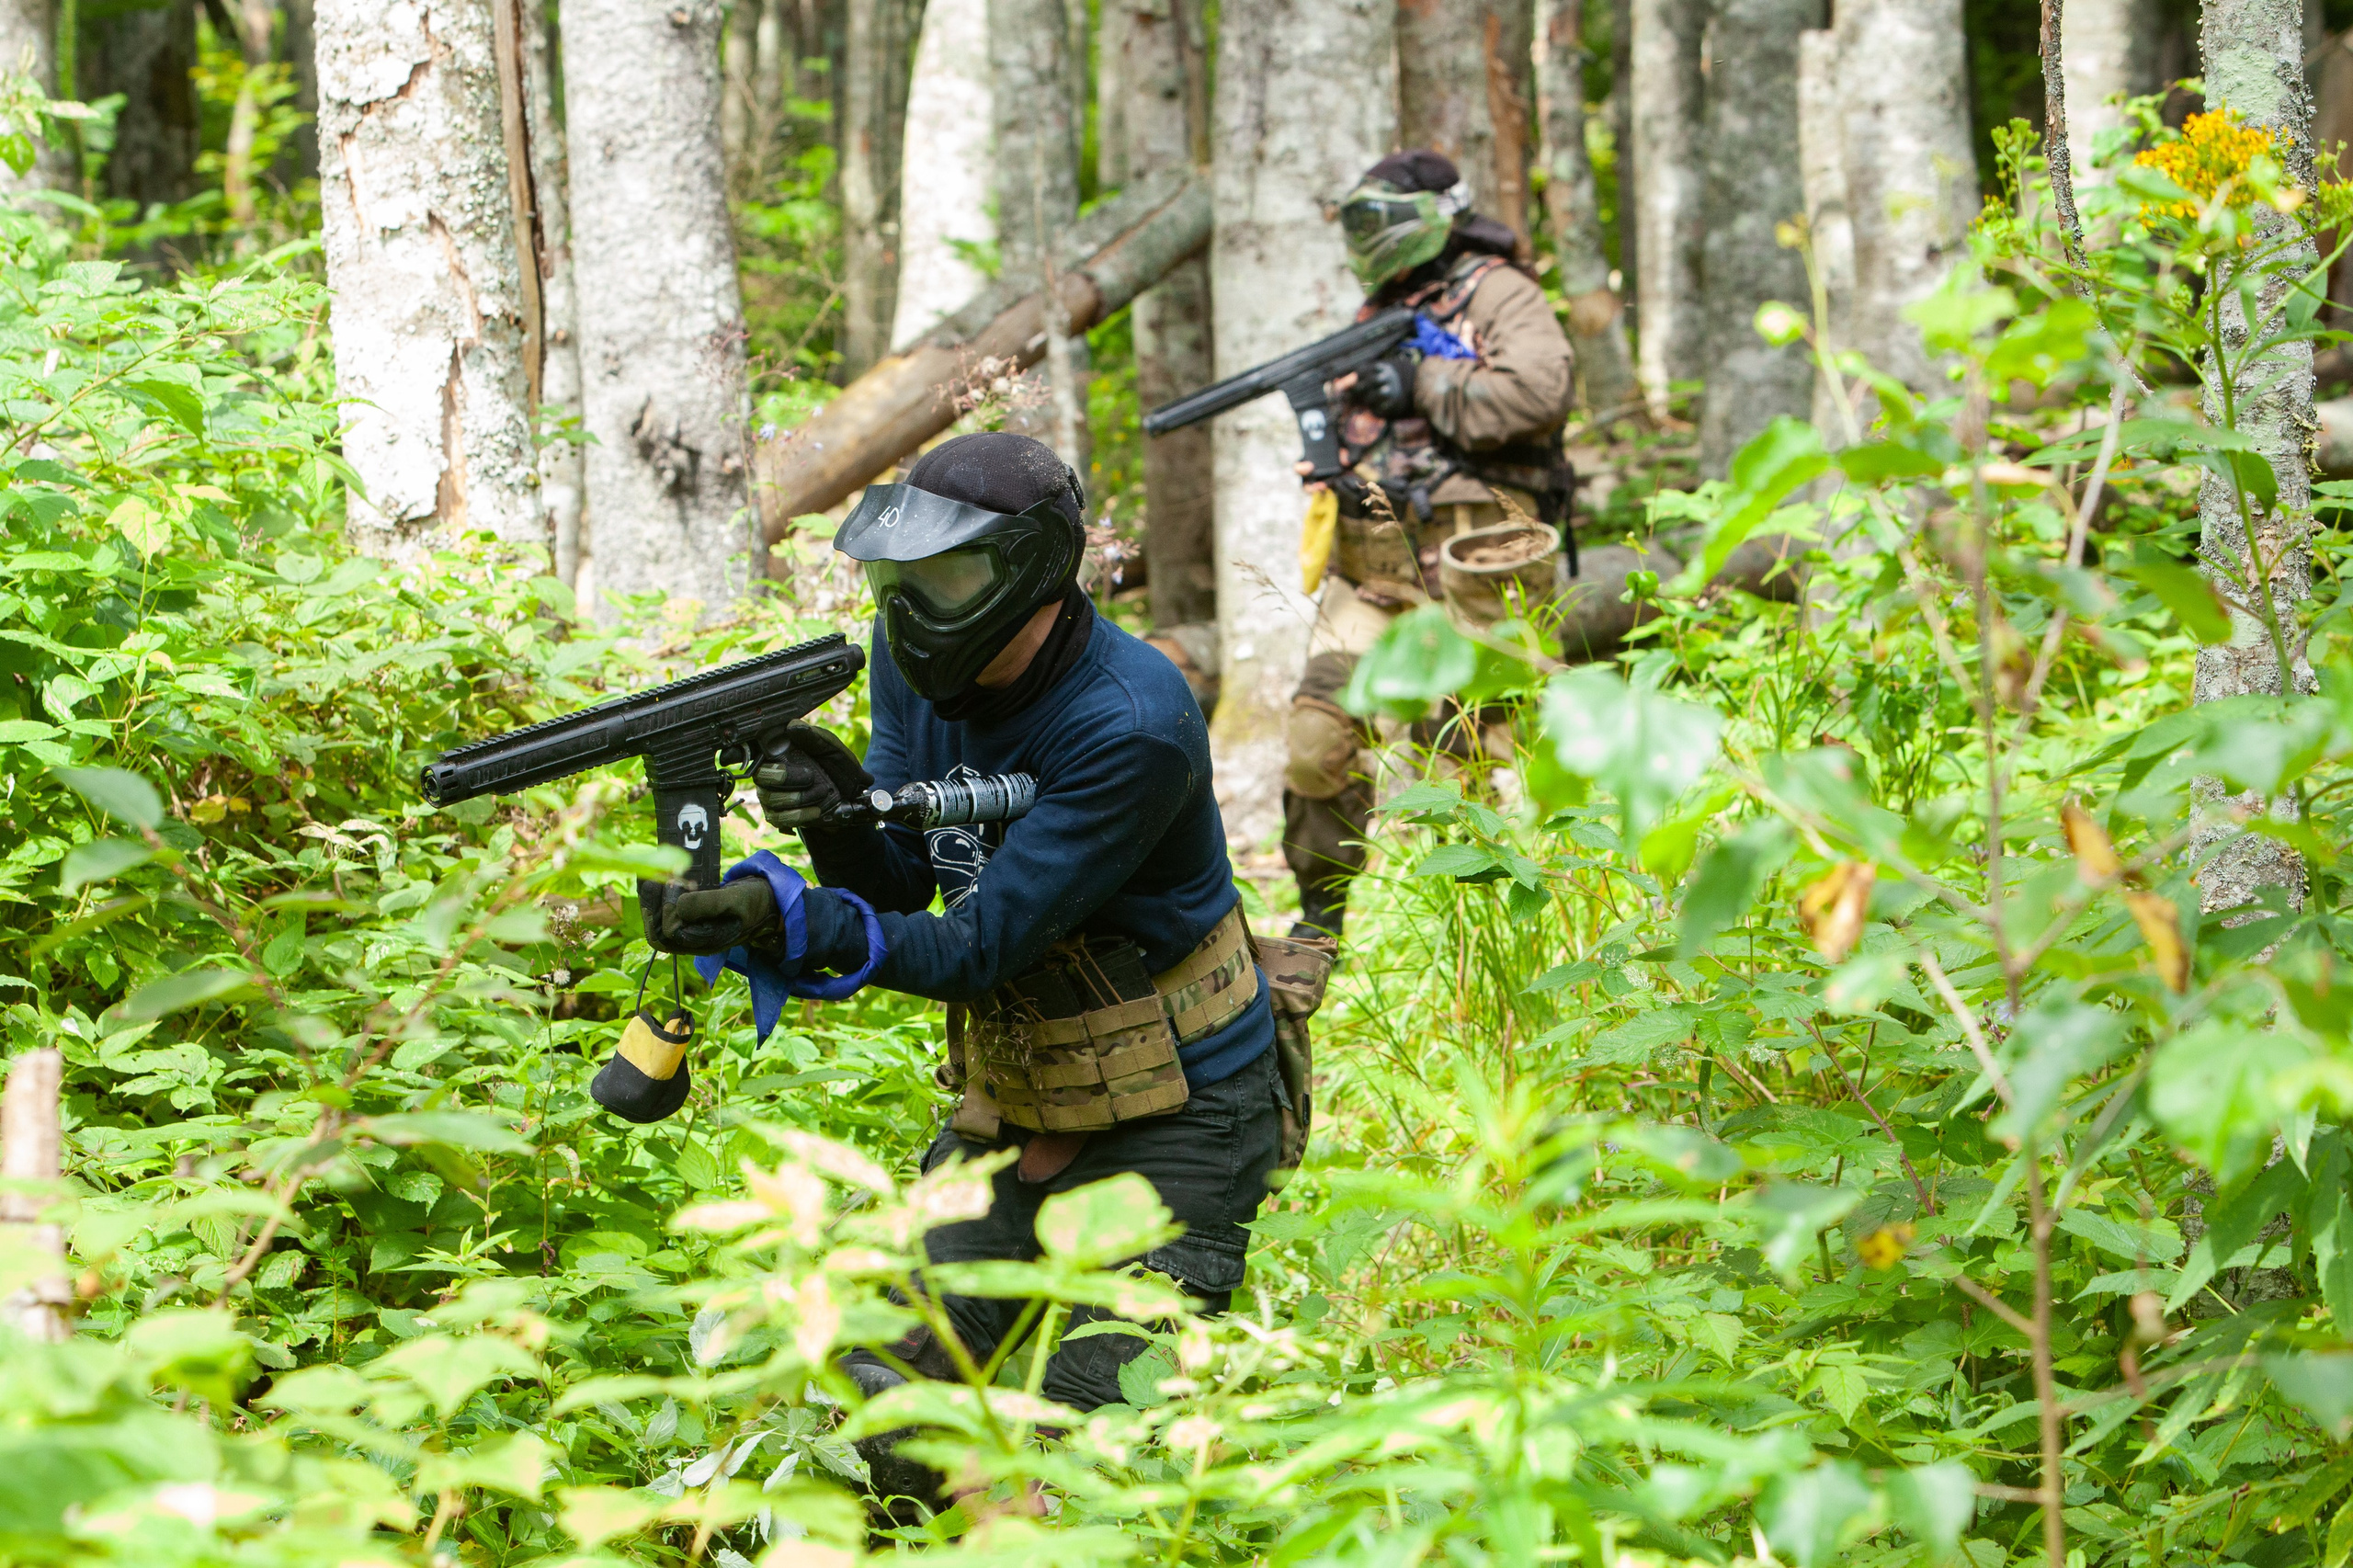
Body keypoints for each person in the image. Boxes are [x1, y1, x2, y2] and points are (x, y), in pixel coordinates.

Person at [632, 431, 1326, 1446]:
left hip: (1181, 1118)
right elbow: (911, 882)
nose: (911, 609)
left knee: (1087, 1454)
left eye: (946, 577)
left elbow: (975, 946)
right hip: (1021, 1096)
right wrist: (840, 816)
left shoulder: (1129, 722)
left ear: (1031, 569)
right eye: (894, 579)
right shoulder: (912, 666)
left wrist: (804, 918)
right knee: (877, 1408)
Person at [1282, 149, 1577, 942]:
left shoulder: (1500, 293)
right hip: (1371, 573)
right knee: (1316, 741)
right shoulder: (1376, 312)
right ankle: (1320, 926)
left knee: (1466, 755)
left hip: (1474, 566)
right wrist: (1338, 472)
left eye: (1380, 220)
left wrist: (1424, 385)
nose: (1366, 239)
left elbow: (1541, 392)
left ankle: (1481, 947)